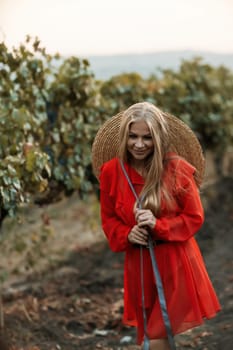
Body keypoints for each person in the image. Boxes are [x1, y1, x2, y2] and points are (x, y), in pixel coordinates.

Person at [92, 102, 221, 350]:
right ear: (124, 137)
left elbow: (194, 217)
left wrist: (158, 225)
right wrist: (128, 233)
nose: (139, 144)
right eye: (133, 136)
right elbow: (108, 219)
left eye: (147, 138)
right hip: (139, 266)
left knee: (156, 334)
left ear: (158, 138)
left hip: (176, 263)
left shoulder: (176, 169)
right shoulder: (111, 172)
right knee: (153, 335)